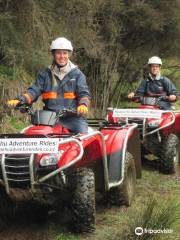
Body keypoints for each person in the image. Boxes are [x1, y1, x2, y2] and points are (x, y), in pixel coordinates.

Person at [7, 37, 91, 133]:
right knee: (32, 135)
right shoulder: (45, 74)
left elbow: (83, 93)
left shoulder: (77, 74)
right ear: (53, 54)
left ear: (69, 55)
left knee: (83, 138)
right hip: (49, 119)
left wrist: (83, 104)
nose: (62, 56)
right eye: (58, 53)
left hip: (73, 119)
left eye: (65, 53)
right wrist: (20, 100)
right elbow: (33, 91)